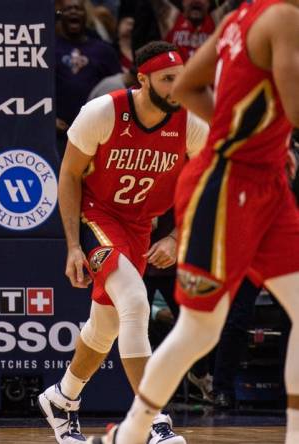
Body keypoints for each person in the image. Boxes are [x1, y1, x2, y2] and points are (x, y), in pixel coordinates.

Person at [101, 1, 299, 443]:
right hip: (225, 185)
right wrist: (244, 143)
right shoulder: (285, 18)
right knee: (198, 329)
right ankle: (131, 433)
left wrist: (259, 141)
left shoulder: (238, 18)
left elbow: (189, 86)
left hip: (267, 184)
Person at [39, 41, 209, 444]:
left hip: (140, 225)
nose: (177, 86)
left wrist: (175, 235)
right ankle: (152, 421)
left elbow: (207, 185)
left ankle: (62, 399)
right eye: (168, 79)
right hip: (94, 216)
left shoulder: (191, 122)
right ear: (142, 78)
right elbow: (68, 175)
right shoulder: (102, 112)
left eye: (182, 77)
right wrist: (73, 247)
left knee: (106, 325)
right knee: (135, 302)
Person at [54, 0, 121, 155]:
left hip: (96, 132)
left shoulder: (104, 51)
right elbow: (36, 87)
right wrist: (48, 119)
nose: (73, 12)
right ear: (60, 15)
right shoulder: (48, 47)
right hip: (59, 133)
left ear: (86, 16)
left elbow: (118, 88)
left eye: (78, 8)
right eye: (68, 9)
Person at [149, 0, 240, 60]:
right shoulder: (172, 19)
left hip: (208, 87)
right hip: (175, 86)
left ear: (209, 3)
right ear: (183, 2)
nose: (196, 1)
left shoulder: (216, 21)